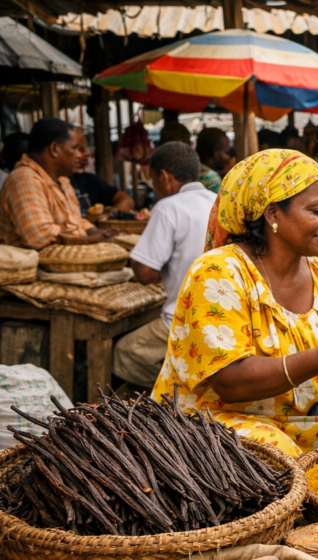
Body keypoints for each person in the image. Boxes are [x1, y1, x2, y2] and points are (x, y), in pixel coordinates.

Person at [155, 149, 318, 458]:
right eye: (316, 210)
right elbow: (231, 383)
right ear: (272, 214)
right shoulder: (219, 272)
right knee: (276, 451)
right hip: (221, 422)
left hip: (307, 421)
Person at [113, 142, 217, 390]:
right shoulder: (218, 201)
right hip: (219, 318)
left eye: (153, 181)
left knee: (123, 352)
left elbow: (146, 274)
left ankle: (159, 402)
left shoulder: (168, 207)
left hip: (182, 323)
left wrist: (136, 257)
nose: (154, 189)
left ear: (165, 176)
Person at [0, 118, 111, 249]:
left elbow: (75, 221)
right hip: (37, 266)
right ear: (54, 149)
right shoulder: (24, 180)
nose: (79, 155)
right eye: (74, 148)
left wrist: (93, 231)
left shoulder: (62, 180)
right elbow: (39, 236)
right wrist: (87, 239)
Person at [69, 127, 134, 213]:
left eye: (84, 148)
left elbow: (127, 200)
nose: (87, 153)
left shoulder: (90, 181)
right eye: (77, 148)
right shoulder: (51, 185)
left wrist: (111, 214)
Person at [195, 127, 231, 193]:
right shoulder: (212, 179)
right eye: (226, 152)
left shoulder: (191, 171)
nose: (228, 157)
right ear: (215, 152)